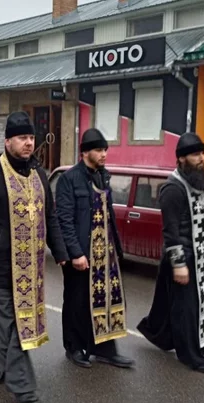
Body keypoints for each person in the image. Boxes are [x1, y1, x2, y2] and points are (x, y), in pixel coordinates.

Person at [0, 111, 68, 403]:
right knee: (14, 329)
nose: (28, 143)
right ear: (7, 140)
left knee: (11, 326)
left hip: (30, 270)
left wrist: (60, 253)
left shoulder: (38, 174)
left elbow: (50, 216)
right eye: (22, 138)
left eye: (32, 138)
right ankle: (24, 390)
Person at [137, 132, 204, 374]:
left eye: (202, 153)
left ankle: (176, 340)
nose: (201, 158)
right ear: (182, 159)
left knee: (195, 306)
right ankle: (189, 356)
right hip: (184, 259)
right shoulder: (172, 189)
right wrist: (179, 264)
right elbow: (171, 232)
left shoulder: (200, 182)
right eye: (196, 154)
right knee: (185, 310)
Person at [55, 129, 134, 369]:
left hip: (104, 253)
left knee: (106, 302)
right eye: (99, 150)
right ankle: (75, 347)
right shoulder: (69, 179)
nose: (104, 154)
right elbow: (64, 220)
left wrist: (116, 250)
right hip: (81, 254)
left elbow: (107, 214)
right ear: (85, 152)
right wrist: (75, 253)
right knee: (77, 303)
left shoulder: (103, 177)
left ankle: (105, 349)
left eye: (105, 150)